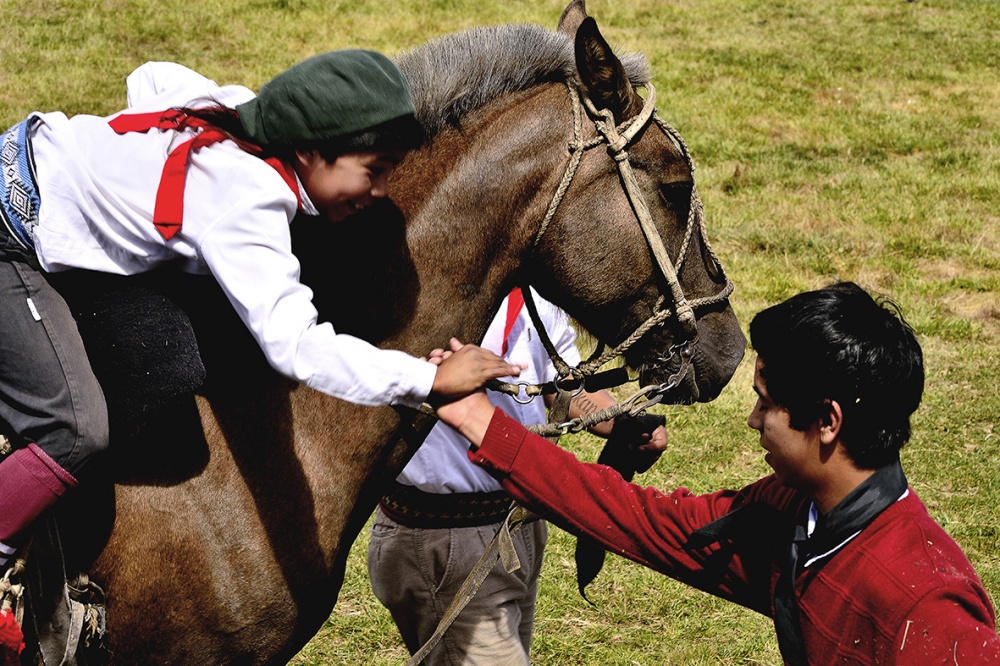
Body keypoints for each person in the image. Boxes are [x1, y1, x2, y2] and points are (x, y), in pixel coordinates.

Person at [0, 50, 522, 574]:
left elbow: (152, 76)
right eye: (373, 170)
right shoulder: (247, 201)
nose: (381, 191)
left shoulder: (234, 109)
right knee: (72, 432)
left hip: (24, 154)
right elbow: (295, 346)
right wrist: (427, 380)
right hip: (10, 239)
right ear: (310, 150)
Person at [434, 282, 1000, 665]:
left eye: (767, 403)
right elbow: (639, 520)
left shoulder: (926, 604)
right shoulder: (792, 512)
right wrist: (484, 424)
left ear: (828, 421)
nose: (753, 420)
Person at [368, 288, 666, 665]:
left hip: (518, 524)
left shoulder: (533, 290)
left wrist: (622, 422)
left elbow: (564, 385)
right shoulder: (418, 286)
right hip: (447, 541)